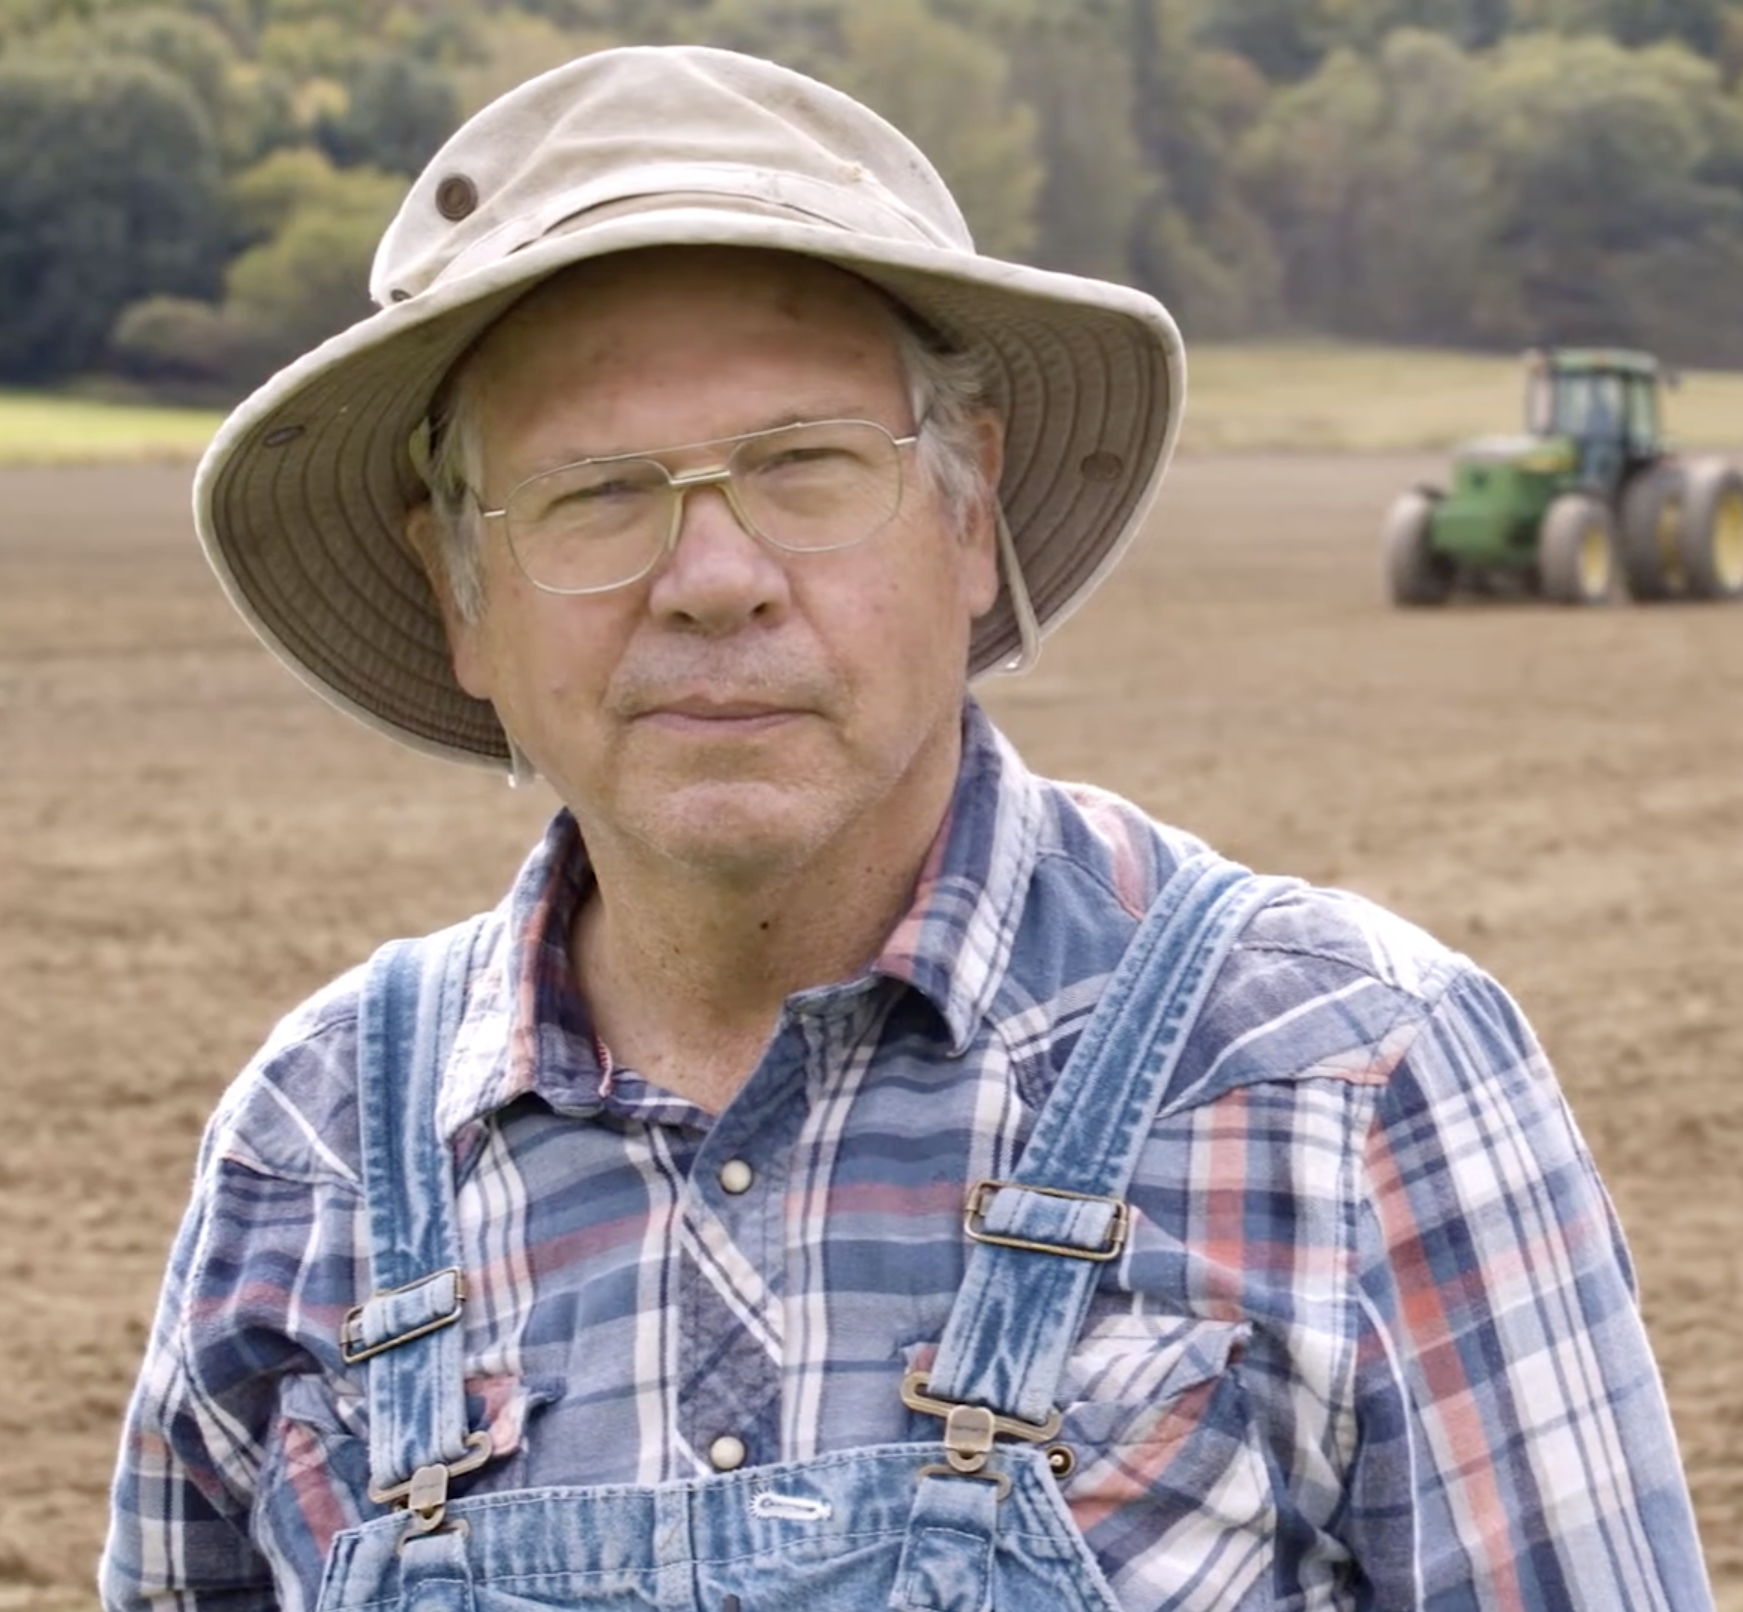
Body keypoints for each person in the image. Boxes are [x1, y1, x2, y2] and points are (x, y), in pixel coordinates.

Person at [102, 44, 1712, 1612]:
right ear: (461, 596)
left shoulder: (1347, 1072)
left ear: (967, 515)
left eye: (804, 467)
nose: (713, 580)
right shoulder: (313, 1148)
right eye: (594, 493)